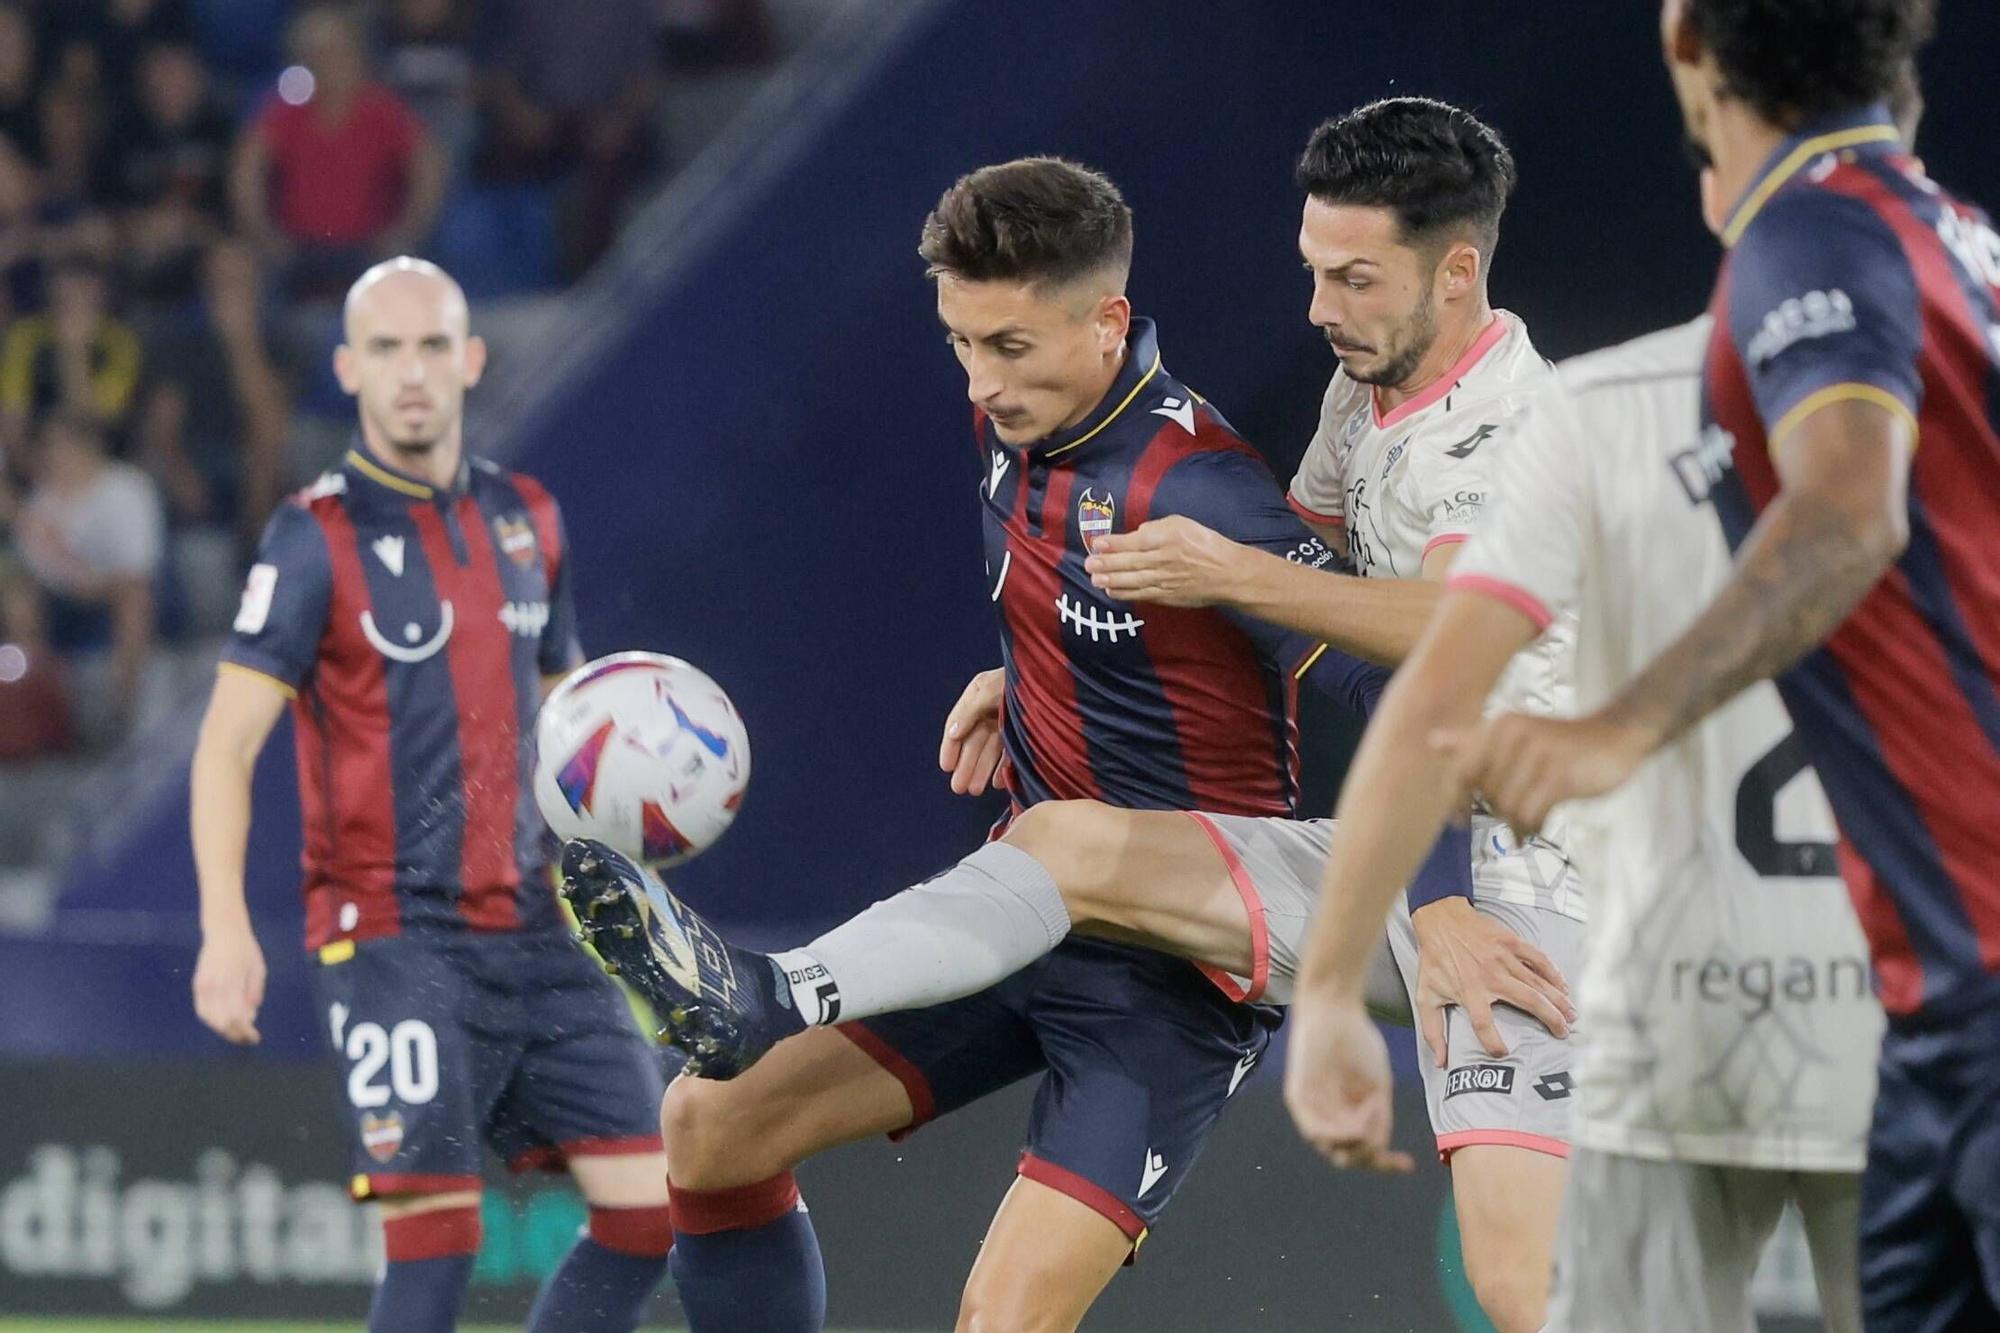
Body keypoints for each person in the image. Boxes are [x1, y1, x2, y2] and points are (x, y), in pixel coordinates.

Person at [560, 155, 1548, 1333]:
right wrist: (1026, 674)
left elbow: (1407, 681)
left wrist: (1434, 901)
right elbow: (1106, 613)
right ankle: (762, 1004)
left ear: (1106, 323)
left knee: (1002, 1319)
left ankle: (767, 993)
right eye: (961, 344)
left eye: (1010, 347)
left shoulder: (1198, 493)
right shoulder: (1015, 415)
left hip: (1170, 974)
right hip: (1023, 911)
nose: (982, 379)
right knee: (706, 1130)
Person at [1287, 2, 1996, 1329]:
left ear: (1684, 44)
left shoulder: (1809, 238)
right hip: (1905, 976)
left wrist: (1616, 728)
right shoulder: (1959, 248)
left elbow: (1848, 514)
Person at [187, 257, 674, 1333]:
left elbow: (568, 722)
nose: (413, 372)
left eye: (432, 347)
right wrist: (225, 928)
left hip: (539, 931)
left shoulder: (528, 518)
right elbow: (226, 744)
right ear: (349, 370)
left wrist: (635, 821)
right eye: (389, 350)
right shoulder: (311, 536)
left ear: (471, 360)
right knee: (436, 1247)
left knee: (653, 1216)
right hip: (391, 932)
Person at [230, 7, 445, 300]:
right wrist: (264, 233)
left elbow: (428, 166)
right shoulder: (286, 111)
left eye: (336, 51)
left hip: (369, 248)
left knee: (402, 273)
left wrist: (406, 228)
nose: (328, 63)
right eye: (316, 54)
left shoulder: (381, 110)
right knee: (243, 267)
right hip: (298, 250)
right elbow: (247, 169)